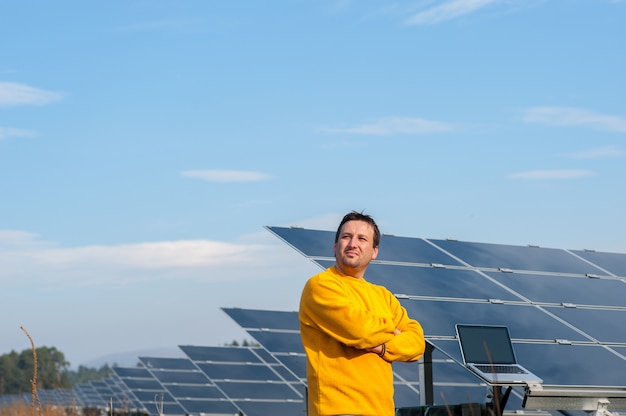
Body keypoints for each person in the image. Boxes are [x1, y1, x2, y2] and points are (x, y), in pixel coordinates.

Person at [299, 211, 426, 416]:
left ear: (374, 251)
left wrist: (382, 347)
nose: (352, 244)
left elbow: (417, 344)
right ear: (335, 246)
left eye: (362, 239)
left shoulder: (383, 296)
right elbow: (360, 330)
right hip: (340, 411)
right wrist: (394, 333)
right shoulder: (320, 286)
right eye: (346, 237)